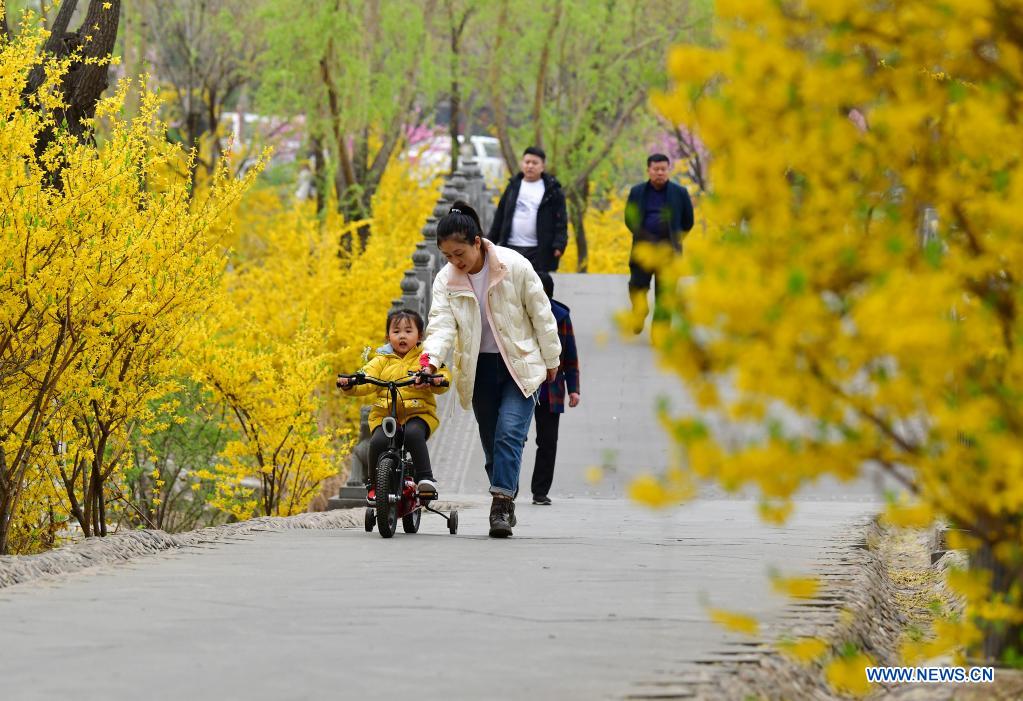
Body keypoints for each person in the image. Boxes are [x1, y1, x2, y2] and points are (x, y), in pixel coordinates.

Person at [423, 200, 561, 537]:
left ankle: (500, 505)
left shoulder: (513, 265)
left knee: (509, 433)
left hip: (519, 362)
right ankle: (505, 494)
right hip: (479, 368)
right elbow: (441, 324)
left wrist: (552, 358)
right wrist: (430, 359)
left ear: (476, 242)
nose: (456, 262)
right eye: (448, 257)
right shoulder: (446, 279)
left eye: (460, 253)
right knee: (490, 441)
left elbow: (541, 313)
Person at [338, 309, 450, 499]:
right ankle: (373, 484)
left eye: (408, 331)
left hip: (418, 413)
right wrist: (351, 384)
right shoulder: (381, 359)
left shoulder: (426, 357)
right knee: (378, 442)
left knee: (413, 434)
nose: (402, 336)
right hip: (385, 416)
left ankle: (425, 479)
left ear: (420, 335)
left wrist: (436, 380)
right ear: (388, 336)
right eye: (396, 331)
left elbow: (443, 374)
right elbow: (367, 377)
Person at [624, 153, 695, 336]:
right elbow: (629, 219)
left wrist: (674, 239)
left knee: (665, 296)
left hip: (668, 251)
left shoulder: (680, 193)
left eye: (663, 169)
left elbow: (688, 221)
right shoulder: (637, 191)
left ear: (668, 170)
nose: (660, 173)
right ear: (649, 170)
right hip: (643, 249)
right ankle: (639, 312)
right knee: (637, 286)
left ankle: (660, 333)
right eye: (656, 169)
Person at [530, 272, 580, 506]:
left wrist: (574, 388)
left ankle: (540, 491)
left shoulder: (561, 316)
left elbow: (570, 354)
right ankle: (509, 486)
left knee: (548, 441)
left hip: (552, 388)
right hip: (523, 384)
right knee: (514, 438)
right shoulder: (520, 313)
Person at [488, 146, 568, 273]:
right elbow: (500, 215)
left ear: (542, 166)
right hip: (511, 247)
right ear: (522, 164)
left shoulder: (552, 190)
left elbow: (561, 220)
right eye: (527, 162)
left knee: (535, 288)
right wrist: (490, 241)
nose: (530, 166)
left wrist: (559, 244)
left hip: (539, 249)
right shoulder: (513, 187)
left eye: (535, 163)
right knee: (511, 286)